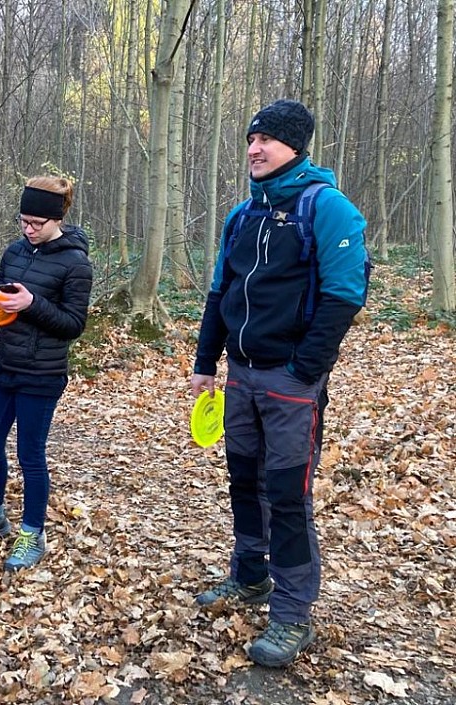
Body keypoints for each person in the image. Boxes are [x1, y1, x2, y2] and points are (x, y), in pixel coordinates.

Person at [190, 99, 369, 667]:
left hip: (292, 383)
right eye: (251, 138)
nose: (255, 147)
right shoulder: (242, 216)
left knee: (288, 496)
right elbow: (221, 292)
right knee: (244, 481)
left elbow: (345, 296)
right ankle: (249, 577)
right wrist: (204, 362)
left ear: (297, 147)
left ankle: (292, 613)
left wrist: (304, 371)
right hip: (239, 381)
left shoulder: (328, 208)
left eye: (267, 139)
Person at [0, 176, 92, 571]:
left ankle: (34, 533)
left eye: (37, 223)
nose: (29, 229)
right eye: (23, 221)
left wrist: (32, 304)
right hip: (5, 367)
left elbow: (73, 325)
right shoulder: (15, 251)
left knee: (30, 455)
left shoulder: (76, 263)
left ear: (57, 219)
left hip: (42, 374)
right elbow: (2, 296)